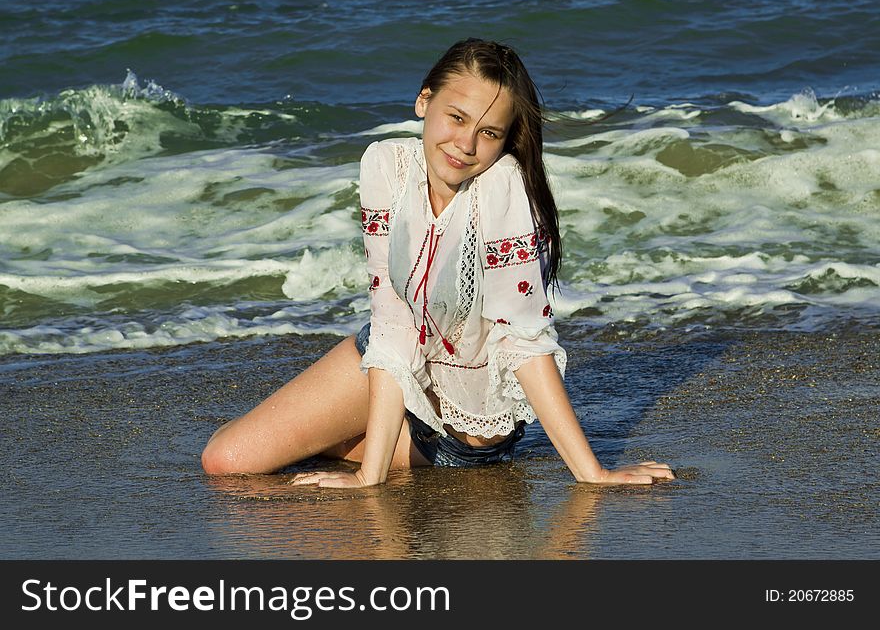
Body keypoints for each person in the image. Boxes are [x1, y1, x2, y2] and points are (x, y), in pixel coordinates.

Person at [201, 38, 675, 488]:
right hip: (394, 364)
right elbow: (391, 321)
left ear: (506, 138)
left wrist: (592, 473)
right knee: (226, 460)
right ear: (424, 101)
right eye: (456, 117)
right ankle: (354, 444)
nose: (465, 144)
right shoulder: (387, 166)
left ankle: (360, 445)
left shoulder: (501, 188)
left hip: (458, 430)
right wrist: (372, 477)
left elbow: (525, 343)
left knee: (268, 465)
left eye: (488, 132)